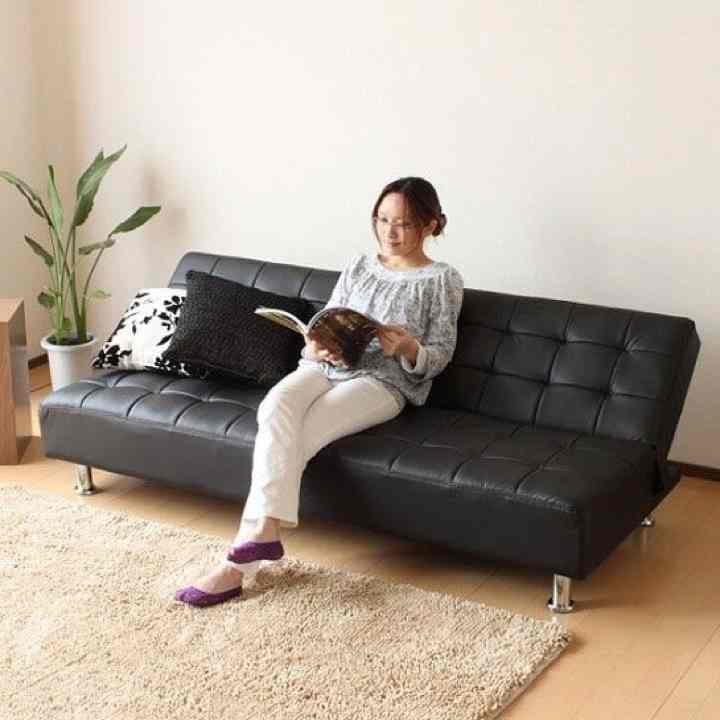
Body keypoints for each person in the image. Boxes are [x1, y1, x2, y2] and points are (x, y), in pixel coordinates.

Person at [175, 176, 465, 607]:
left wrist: (407, 347)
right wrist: (315, 346)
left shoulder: (443, 280)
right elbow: (328, 318)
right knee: (274, 407)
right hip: (325, 366)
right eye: (382, 220)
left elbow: (441, 352)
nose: (390, 232)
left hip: (382, 382)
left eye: (403, 223)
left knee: (304, 431)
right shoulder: (359, 266)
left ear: (429, 225)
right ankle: (263, 536)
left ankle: (235, 566)